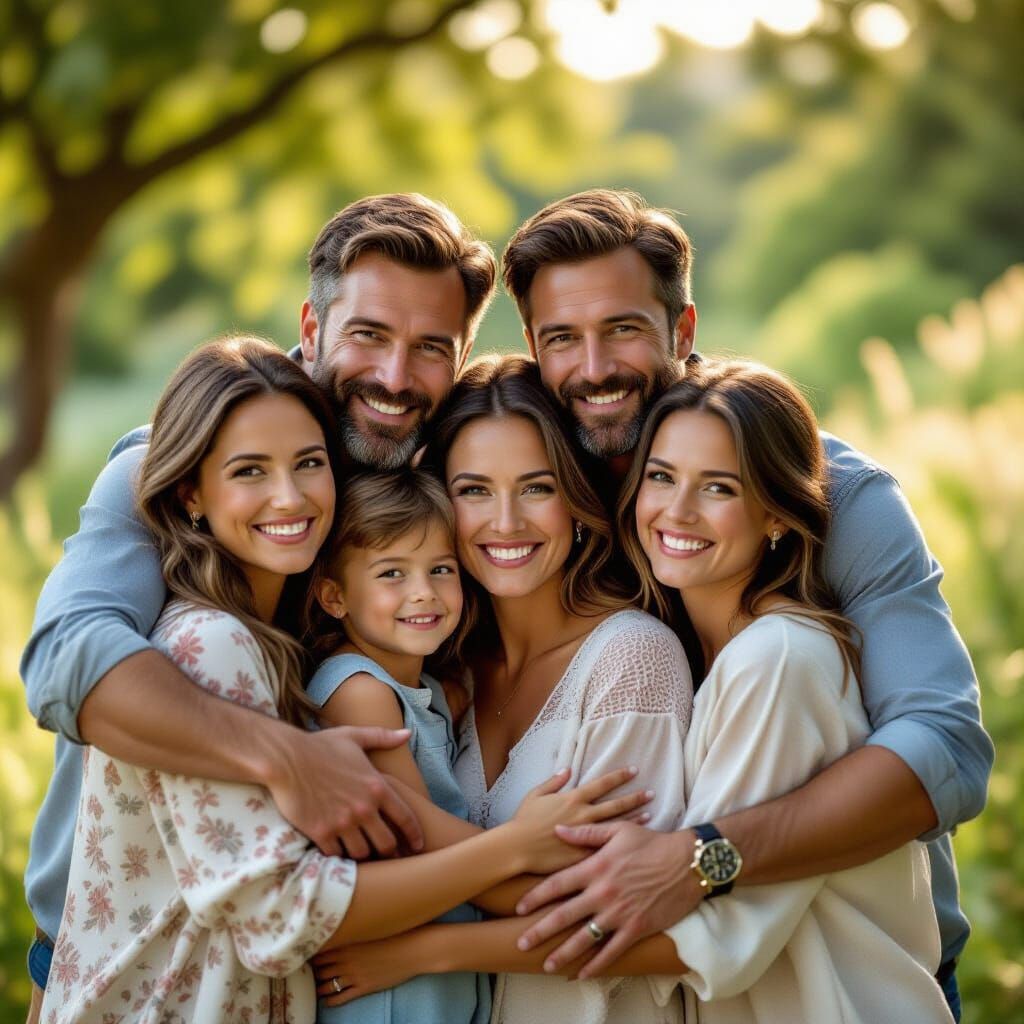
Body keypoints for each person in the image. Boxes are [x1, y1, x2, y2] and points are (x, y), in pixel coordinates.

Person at [41, 337, 644, 1023]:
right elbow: (280, 918)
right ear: (192, 493)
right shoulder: (212, 645)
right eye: (249, 472)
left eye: (309, 464)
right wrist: (514, 849)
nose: (289, 495)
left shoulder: (284, 646)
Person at [501, 189, 991, 1019]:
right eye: (562, 339)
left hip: (849, 973)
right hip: (675, 989)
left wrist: (701, 859)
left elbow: (942, 751)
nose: (593, 368)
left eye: (622, 328)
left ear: (682, 330)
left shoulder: (841, 498)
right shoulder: (536, 505)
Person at [20, 193, 496, 1018]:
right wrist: (288, 757)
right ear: (313, 327)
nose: (393, 376)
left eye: (430, 349)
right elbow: (67, 660)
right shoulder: (180, 460)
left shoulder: (426, 489)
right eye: (369, 335)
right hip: (130, 965)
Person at [313, 354, 695, 1024]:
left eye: (537, 487)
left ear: (576, 501)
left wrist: (424, 951)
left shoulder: (632, 660)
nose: (507, 521)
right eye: (475, 490)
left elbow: (646, 927)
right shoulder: (444, 675)